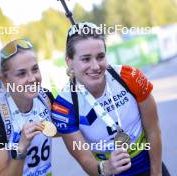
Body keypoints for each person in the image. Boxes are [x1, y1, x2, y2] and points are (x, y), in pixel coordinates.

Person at [52, 22, 164, 176]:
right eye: (86, 59)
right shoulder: (64, 106)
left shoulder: (130, 76)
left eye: (100, 56)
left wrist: (157, 173)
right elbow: (85, 160)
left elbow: (153, 130)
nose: (96, 66)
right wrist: (107, 168)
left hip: (150, 166)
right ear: (69, 61)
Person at [0, 39, 55, 176]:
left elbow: (65, 130)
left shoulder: (45, 98)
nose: (32, 79)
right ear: (4, 80)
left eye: (35, 69)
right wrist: (21, 148)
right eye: (21, 73)